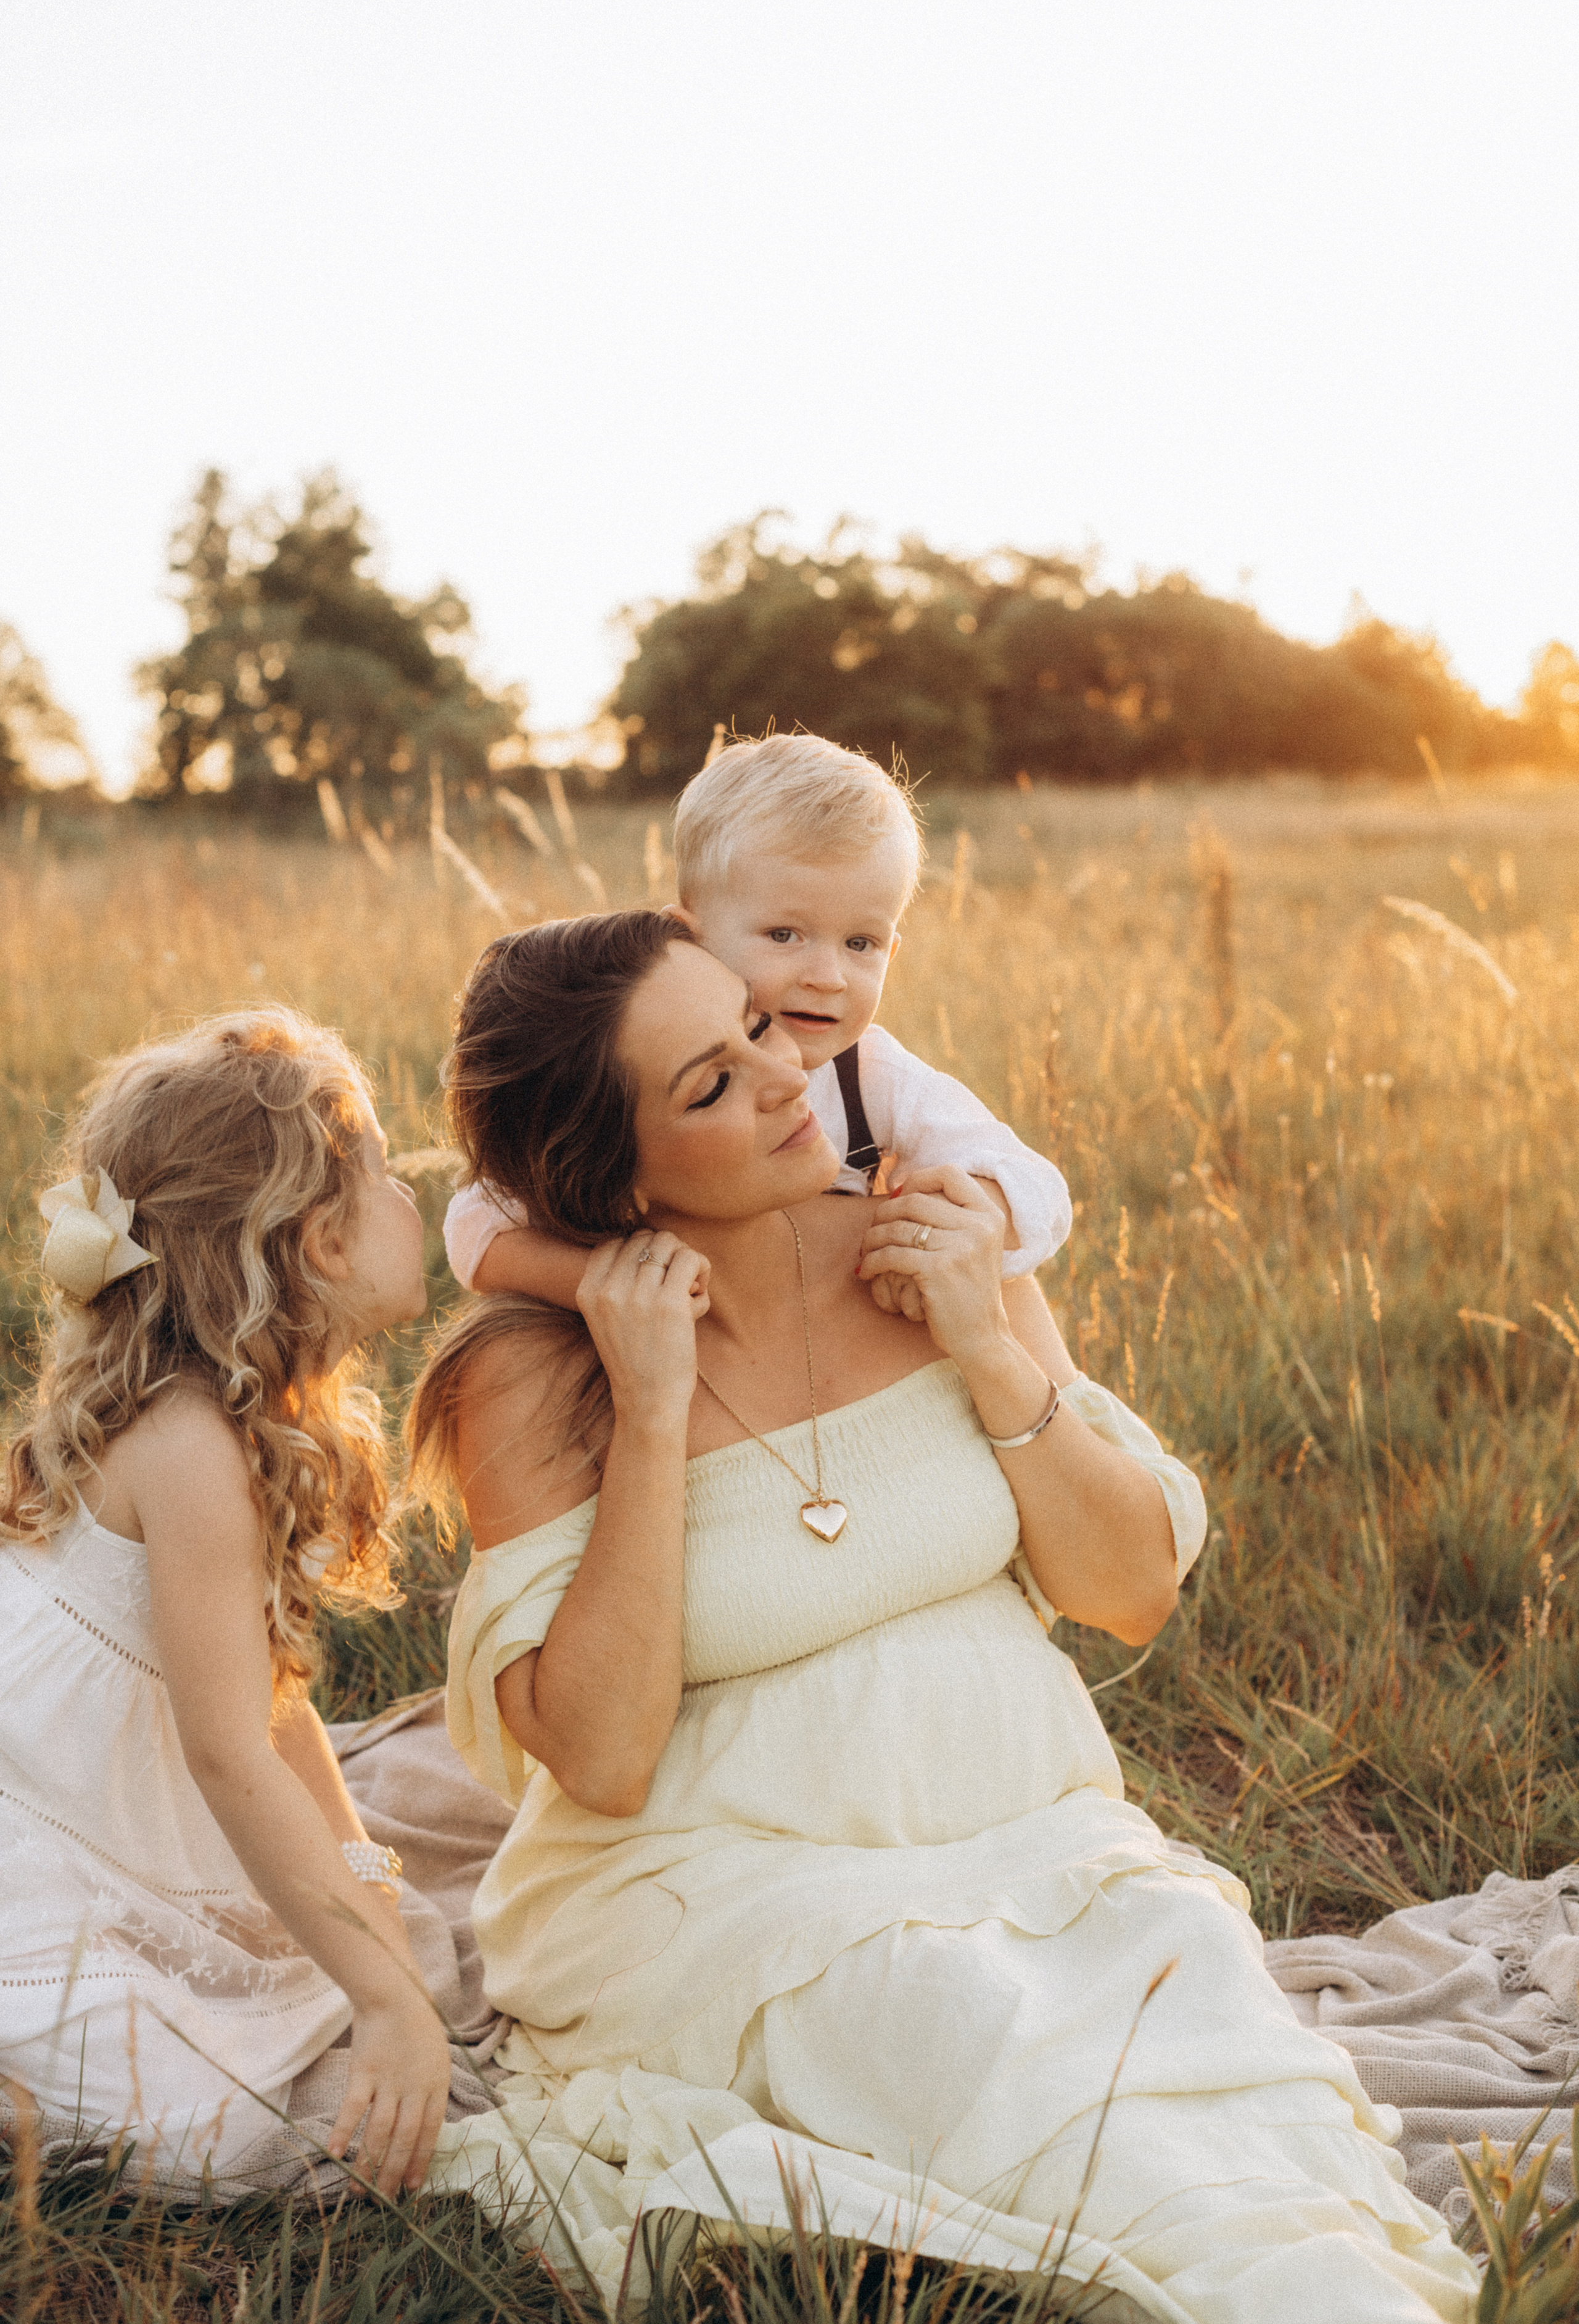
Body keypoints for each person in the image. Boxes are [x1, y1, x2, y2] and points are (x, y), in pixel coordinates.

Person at [413, 913, 1477, 2322]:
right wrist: (654, 1404)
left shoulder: (942, 1236)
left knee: (1218, 2095)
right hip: (735, 1893)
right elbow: (600, 1756)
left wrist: (981, 1334)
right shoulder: (535, 1375)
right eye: (710, 1085)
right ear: (606, 1174)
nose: (788, 1074)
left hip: (1043, 1853)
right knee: (973, 2039)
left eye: (755, 1026)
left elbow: (1128, 1589)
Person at [0, 1009, 453, 2195]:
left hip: (88, 1800)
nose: (416, 1201)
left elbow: (274, 1705)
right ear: (320, 1243)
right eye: (388, 1178)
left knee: (398, 1952)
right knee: (227, 2128)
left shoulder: (235, 1419)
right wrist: (384, 1998)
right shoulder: (194, 1446)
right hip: (36, 1843)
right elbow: (226, 1754)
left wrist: (373, 1904)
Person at [443, 732, 1071, 1318]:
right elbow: (476, 1227)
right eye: (783, 934)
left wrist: (963, 1225)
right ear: (687, 936)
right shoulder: (636, 1065)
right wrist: (602, 1281)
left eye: (861, 943)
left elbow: (1035, 1188)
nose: (828, 976)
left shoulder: (873, 1076)